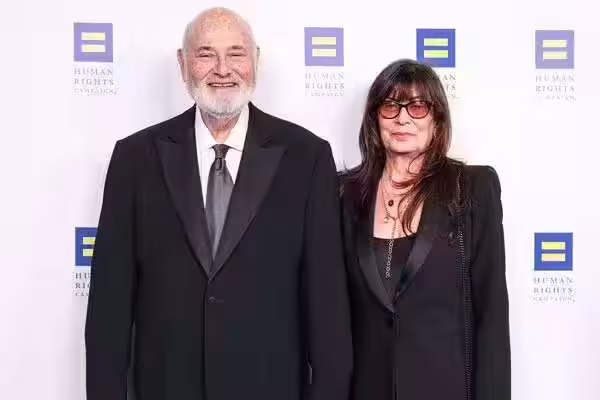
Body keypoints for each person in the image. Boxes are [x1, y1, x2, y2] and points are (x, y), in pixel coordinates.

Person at [85, 7, 352, 400]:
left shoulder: (307, 158)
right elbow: (108, 312)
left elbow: (328, 312)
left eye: (236, 53)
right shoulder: (134, 159)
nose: (223, 69)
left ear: (255, 60)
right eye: (206, 54)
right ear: (183, 64)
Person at [339, 59, 510, 400]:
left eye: (417, 107)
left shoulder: (471, 189)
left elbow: (491, 317)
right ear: (375, 118)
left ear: (437, 119)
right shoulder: (342, 195)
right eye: (391, 106)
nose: (402, 118)